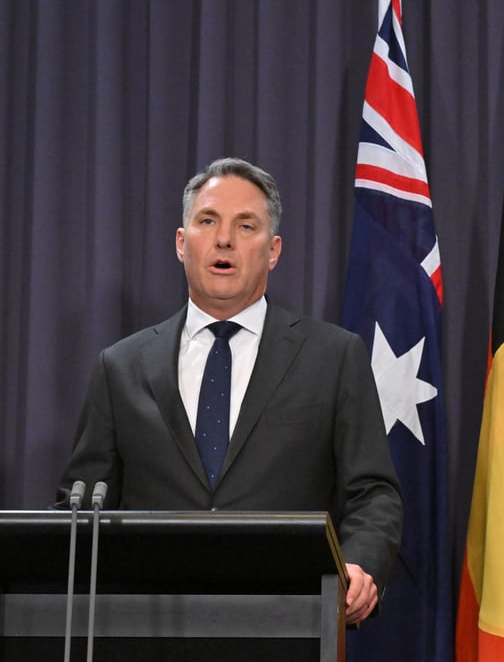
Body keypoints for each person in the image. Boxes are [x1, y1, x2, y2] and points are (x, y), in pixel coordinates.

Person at [54, 157, 402, 624]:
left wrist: (360, 564)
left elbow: (372, 492)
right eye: (208, 221)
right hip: (148, 626)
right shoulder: (121, 366)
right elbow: (79, 502)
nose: (224, 239)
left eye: (246, 226)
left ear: (273, 250)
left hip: (287, 620)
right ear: (182, 242)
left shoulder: (333, 357)